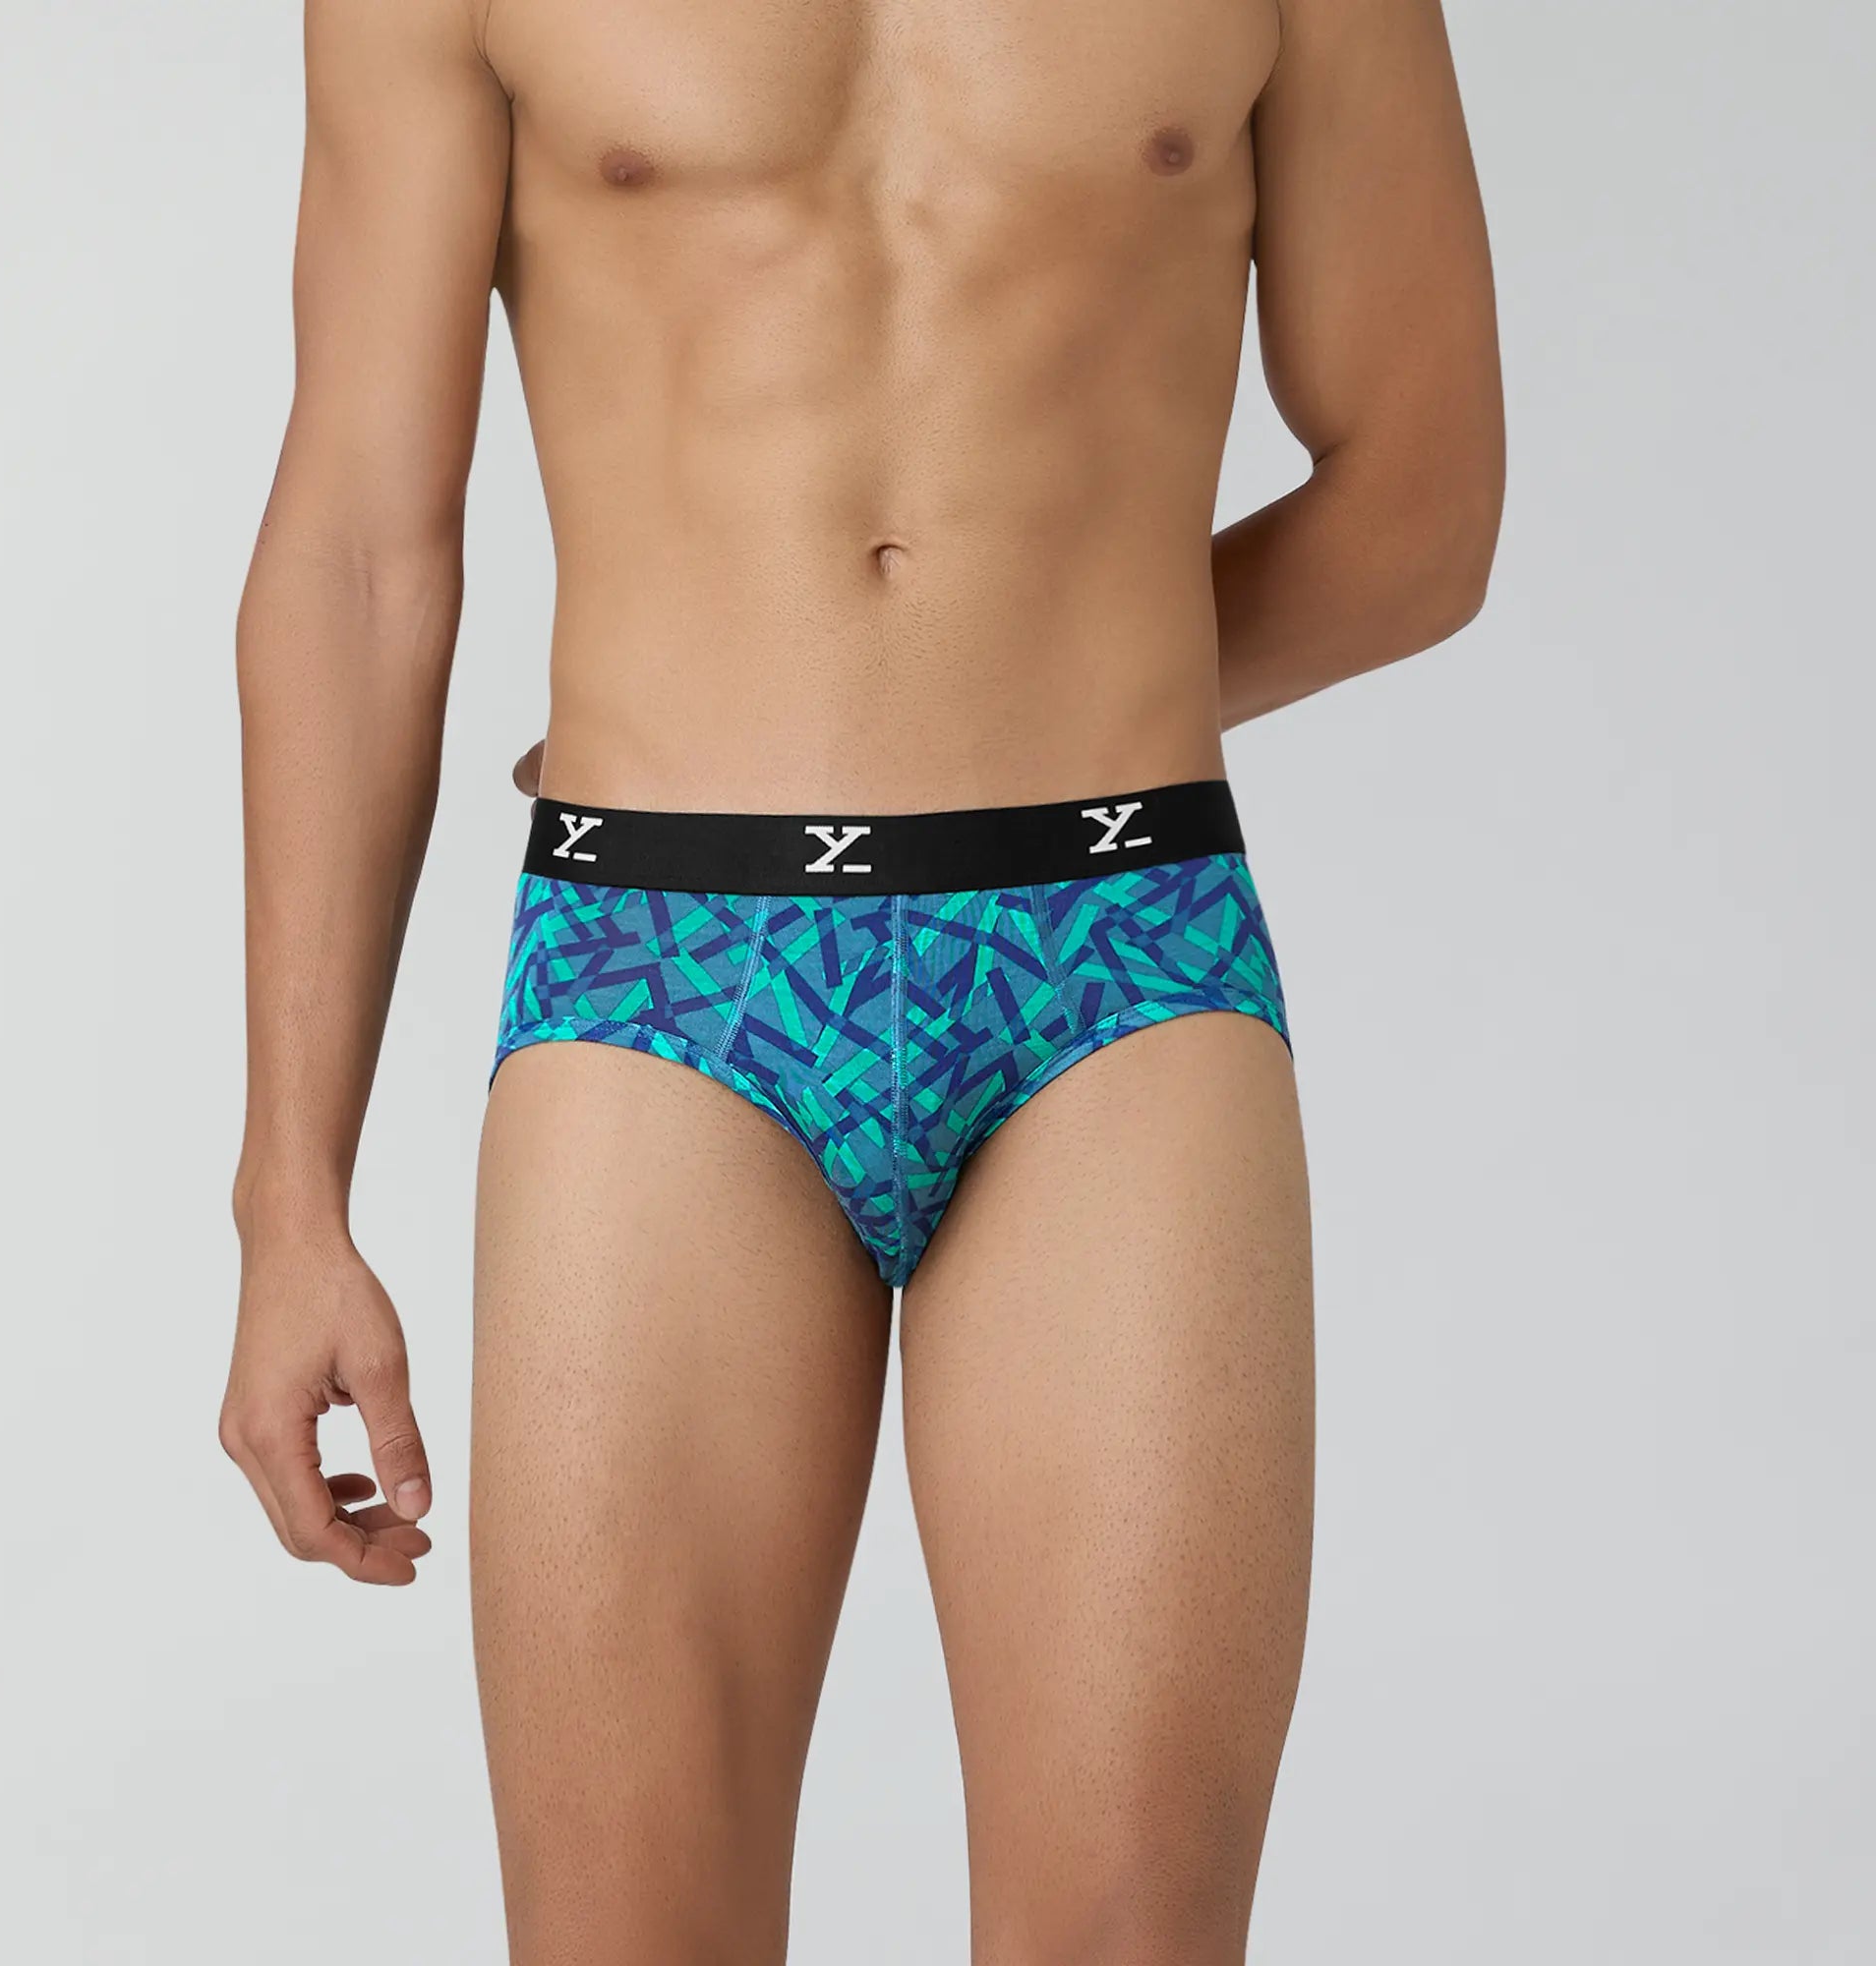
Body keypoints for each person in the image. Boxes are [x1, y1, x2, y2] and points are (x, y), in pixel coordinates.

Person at [219, 0, 1502, 1957]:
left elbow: (1421, 501)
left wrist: (1006, 704)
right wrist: (288, 1199)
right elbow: (360, 551)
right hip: (664, 966)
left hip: (1110, 954)